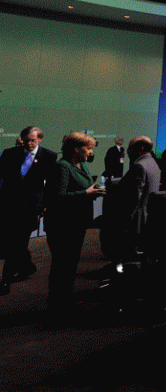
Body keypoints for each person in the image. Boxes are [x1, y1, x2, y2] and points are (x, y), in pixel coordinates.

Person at [44, 132, 106, 315]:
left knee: (70, 265)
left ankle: (65, 302)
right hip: (62, 225)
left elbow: (84, 187)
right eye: (88, 148)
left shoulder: (82, 165)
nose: (91, 152)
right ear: (76, 149)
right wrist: (86, 194)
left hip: (76, 224)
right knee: (61, 266)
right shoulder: (62, 167)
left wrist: (93, 191)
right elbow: (58, 198)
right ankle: (56, 308)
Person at [1, 126, 58, 295]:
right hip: (9, 205)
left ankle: (5, 280)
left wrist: (45, 205)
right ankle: (27, 266)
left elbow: (51, 184)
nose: (29, 143)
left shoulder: (48, 156)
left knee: (15, 243)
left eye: (32, 140)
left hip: (31, 207)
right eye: (26, 140)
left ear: (40, 139)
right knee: (15, 242)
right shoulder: (10, 153)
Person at [109, 136, 161, 261]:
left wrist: (125, 222)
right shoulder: (152, 162)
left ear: (141, 149)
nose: (128, 151)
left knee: (128, 255)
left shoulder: (139, 166)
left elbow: (134, 198)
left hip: (135, 219)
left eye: (130, 148)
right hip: (146, 215)